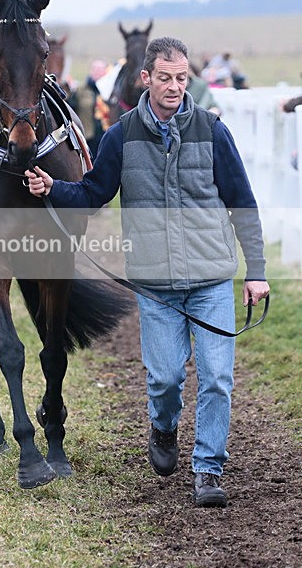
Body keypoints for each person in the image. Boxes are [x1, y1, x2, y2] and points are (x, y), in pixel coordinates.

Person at [25, 36, 270, 508]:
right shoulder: (120, 135)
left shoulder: (213, 130)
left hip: (212, 278)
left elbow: (243, 203)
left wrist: (255, 271)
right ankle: (163, 426)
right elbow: (93, 194)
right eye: (165, 78)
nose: (175, 87)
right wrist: (53, 187)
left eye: (181, 79)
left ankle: (207, 470)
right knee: (164, 379)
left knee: (218, 377)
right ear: (146, 78)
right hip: (156, 285)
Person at [68, 60, 107, 159]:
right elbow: (70, 109)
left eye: (101, 70)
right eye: (96, 69)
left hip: (105, 137)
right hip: (87, 137)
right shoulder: (80, 90)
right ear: (91, 71)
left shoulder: (110, 91)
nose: (98, 72)